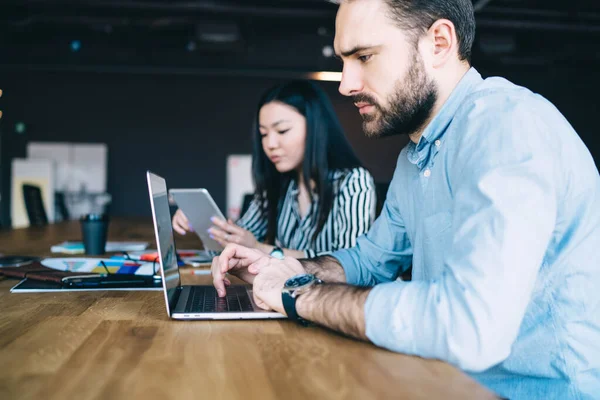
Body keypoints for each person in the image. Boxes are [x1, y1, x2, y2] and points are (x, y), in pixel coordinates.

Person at [211, 0, 600, 399]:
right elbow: (368, 261)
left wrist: (298, 293)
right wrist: (284, 266)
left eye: (364, 56)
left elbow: (470, 327)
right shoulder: (414, 159)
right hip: (442, 382)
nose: (345, 84)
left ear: (439, 43)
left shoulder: (507, 126)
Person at [174, 80, 376, 259]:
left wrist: (258, 247)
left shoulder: (353, 181)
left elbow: (349, 264)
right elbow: (232, 246)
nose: (270, 143)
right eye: (263, 134)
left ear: (316, 128)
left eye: (282, 131)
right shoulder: (277, 184)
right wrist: (202, 222)